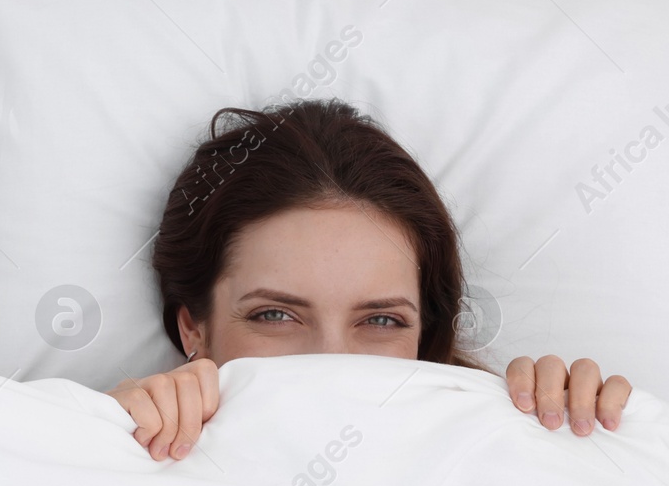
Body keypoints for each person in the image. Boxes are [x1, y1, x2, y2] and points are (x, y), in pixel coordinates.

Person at [107, 99, 633, 461]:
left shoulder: (495, 441)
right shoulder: (119, 447)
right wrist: (97, 435)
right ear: (192, 328)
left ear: (425, 337)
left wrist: (577, 438)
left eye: (381, 320)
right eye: (275, 315)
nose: (333, 359)